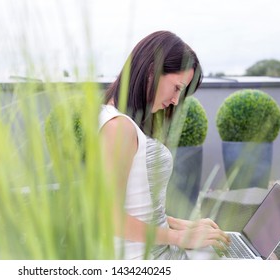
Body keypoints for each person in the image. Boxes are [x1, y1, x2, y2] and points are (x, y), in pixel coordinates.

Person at [99, 31, 230, 259]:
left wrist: (185, 226)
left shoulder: (122, 121)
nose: (175, 101)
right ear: (152, 72)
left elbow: (137, 208)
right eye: (177, 87)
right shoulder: (118, 127)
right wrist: (179, 237)